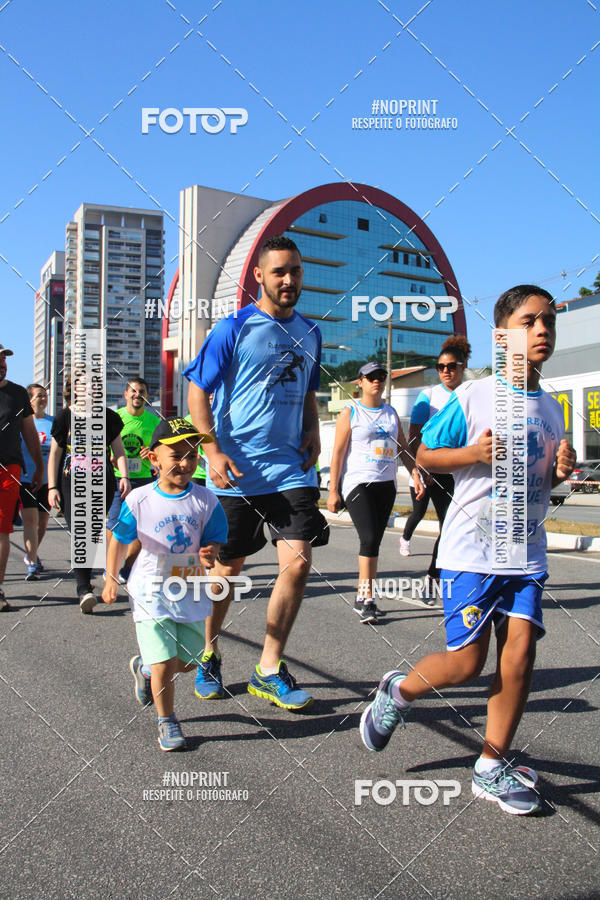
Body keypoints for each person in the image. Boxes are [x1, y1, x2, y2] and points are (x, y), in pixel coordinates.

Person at [360, 285, 576, 816]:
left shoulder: (552, 407)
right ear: (503, 336)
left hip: (525, 551)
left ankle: (490, 765)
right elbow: (425, 454)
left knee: (521, 652)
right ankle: (399, 693)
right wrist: (472, 453)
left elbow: (546, 483)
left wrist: (561, 472)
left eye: (548, 321)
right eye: (530, 322)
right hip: (472, 552)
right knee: (467, 663)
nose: (543, 329)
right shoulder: (474, 396)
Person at [185, 234, 328, 710]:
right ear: (260, 277)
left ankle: (268, 668)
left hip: (289, 469)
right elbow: (197, 393)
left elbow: (308, 392)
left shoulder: (311, 332)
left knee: (299, 562)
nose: (289, 279)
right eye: (279, 271)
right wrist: (213, 451)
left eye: (296, 271)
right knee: (226, 573)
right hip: (236, 473)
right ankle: (208, 652)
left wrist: (314, 430)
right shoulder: (234, 327)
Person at [102, 418, 228, 751]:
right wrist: (111, 578)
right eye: (175, 455)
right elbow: (119, 539)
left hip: (187, 585)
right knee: (164, 664)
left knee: (186, 662)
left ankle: (143, 669)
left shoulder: (205, 500)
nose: (185, 463)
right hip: (149, 590)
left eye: (192, 454)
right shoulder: (140, 500)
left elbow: (215, 536)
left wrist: (210, 550)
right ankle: (167, 720)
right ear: (153, 459)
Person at [327, 361, 424, 623]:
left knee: (374, 543)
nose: (377, 381)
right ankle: (367, 599)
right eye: (371, 377)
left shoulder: (390, 413)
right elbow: (337, 453)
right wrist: (333, 489)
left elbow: (403, 448)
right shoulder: (351, 412)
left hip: (386, 485)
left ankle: (362, 595)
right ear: (359, 382)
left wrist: (415, 473)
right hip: (358, 483)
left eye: (381, 376)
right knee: (369, 537)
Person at [47, 374, 130, 613]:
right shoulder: (65, 417)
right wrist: (52, 487)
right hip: (70, 484)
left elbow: (119, 451)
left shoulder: (109, 418)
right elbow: (55, 454)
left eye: (95, 384)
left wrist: (124, 476)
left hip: (103, 482)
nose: (90, 388)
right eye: (83, 384)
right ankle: (84, 589)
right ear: (74, 389)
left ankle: (84, 585)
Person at [399, 334, 471, 602]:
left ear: (462, 367)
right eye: (441, 367)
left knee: (453, 530)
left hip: (461, 473)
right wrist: (421, 469)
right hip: (432, 472)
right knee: (441, 524)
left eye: (451, 366)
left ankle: (440, 577)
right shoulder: (427, 396)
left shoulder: (470, 394)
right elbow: (414, 437)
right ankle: (433, 580)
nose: (446, 372)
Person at [0, 346, 44, 610]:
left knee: (2, 530)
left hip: (8, 469)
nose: (2, 363)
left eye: (4, 359)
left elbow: (29, 432)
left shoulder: (17, 394)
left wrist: (38, 465)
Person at [106, 377, 160, 582]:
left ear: (147, 397)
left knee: (141, 527)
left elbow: (161, 450)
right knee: (114, 524)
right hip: (119, 479)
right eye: (134, 391)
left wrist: (152, 452)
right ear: (126, 394)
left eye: (142, 392)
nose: (138, 395)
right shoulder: (115, 417)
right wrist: (111, 455)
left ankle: (128, 567)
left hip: (144, 479)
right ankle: (111, 567)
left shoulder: (154, 421)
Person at [19, 383, 53, 580]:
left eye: (45, 395)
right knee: (30, 522)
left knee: (42, 524)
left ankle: (30, 553)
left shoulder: (53, 422)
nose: (43, 399)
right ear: (29, 399)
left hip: (47, 481)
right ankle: (32, 562)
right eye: (39, 395)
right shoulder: (22, 422)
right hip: (25, 479)